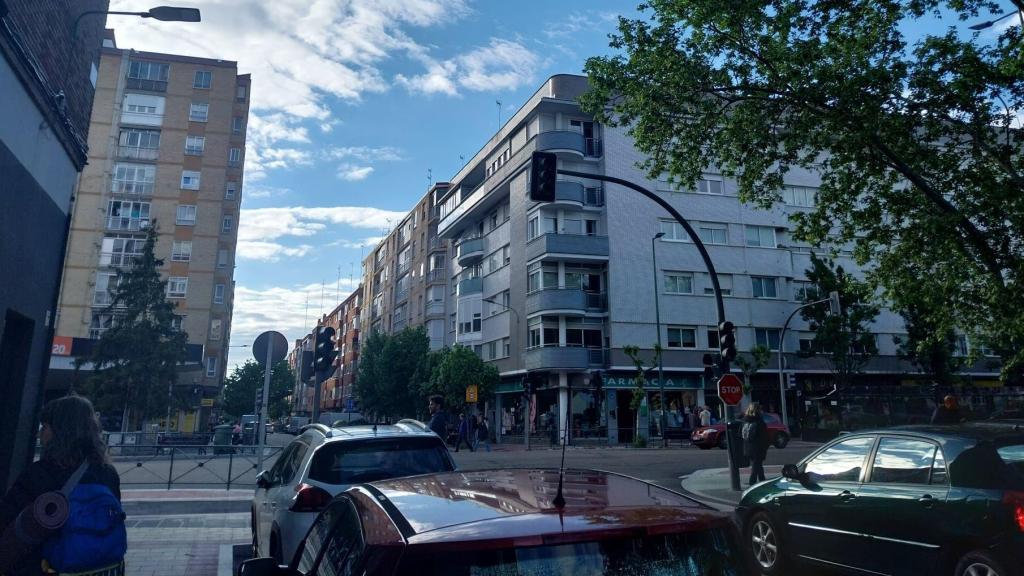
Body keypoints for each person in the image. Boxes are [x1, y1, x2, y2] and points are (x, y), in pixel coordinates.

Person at [0, 395, 125, 575]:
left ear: (60, 430)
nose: (40, 433)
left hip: (45, 566)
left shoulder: (39, 474)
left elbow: (8, 520)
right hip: (101, 568)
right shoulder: (107, 473)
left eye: (45, 427)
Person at [742, 403, 770, 487]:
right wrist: (766, 447)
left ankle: (762, 481)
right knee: (756, 466)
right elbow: (764, 437)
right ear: (758, 410)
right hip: (758, 447)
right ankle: (752, 483)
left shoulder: (745, 421)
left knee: (758, 465)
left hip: (748, 447)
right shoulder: (760, 422)